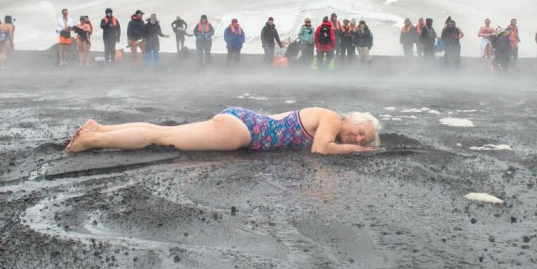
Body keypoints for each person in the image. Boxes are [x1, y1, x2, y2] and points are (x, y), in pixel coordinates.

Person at [64, 107, 380, 155]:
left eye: (361, 139)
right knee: (164, 137)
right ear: (353, 119)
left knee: (165, 130)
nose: (356, 138)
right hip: (244, 132)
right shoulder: (334, 118)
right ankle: (91, 141)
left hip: (243, 122)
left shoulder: (325, 117)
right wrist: (361, 152)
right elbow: (321, 149)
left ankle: (100, 127)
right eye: (359, 132)